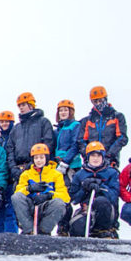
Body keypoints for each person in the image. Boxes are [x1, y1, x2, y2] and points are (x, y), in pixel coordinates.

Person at [11, 143, 69, 235]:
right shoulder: (26, 174)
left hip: (46, 206)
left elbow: (65, 197)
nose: (39, 161)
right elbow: (18, 192)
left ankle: (44, 231)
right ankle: (29, 230)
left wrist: (49, 195)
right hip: (30, 204)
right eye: (36, 158)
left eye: (41, 157)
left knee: (59, 203)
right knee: (16, 197)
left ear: (46, 158)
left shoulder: (56, 174)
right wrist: (29, 189)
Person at [69, 141, 121, 238]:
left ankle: (103, 230)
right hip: (87, 209)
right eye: (93, 155)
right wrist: (84, 188)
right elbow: (74, 199)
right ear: (88, 157)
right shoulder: (79, 174)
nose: (95, 159)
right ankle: (87, 229)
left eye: (98, 155)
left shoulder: (111, 173)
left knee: (100, 201)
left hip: (106, 210)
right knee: (77, 228)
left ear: (103, 157)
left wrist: (101, 186)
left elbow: (114, 195)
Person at [6, 92, 56, 185]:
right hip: (18, 170)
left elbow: (48, 144)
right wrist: (13, 168)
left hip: (38, 169)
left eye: (23, 105)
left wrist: (33, 163)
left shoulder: (43, 122)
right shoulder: (16, 128)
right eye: (19, 105)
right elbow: (10, 149)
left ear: (31, 105)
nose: (21, 108)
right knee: (18, 197)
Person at [78, 86, 128, 168]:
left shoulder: (117, 117)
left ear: (105, 99)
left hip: (111, 161)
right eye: (95, 101)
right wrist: (87, 155)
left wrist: (108, 155)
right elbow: (81, 141)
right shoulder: (87, 120)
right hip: (90, 161)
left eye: (100, 100)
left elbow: (122, 138)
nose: (98, 103)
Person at [54, 100, 81, 236]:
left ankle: (68, 225)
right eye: (61, 110)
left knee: (68, 195)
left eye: (66, 110)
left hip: (71, 166)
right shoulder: (58, 129)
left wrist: (66, 162)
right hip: (58, 166)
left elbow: (75, 144)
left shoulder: (75, 126)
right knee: (59, 195)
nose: (63, 112)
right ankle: (62, 225)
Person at [0, 111, 19, 234]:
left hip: (11, 178)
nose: (4, 124)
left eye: (6, 121)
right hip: (0, 179)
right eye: (2, 121)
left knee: (10, 210)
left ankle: (11, 235)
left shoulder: (15, 137)